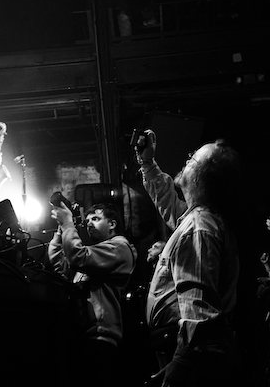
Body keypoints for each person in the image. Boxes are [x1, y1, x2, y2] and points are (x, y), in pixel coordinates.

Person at [146, 139, 242, 386]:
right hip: (191, 350)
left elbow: (197, 304)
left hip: (193, 358)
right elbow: (168, 204)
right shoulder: (200, 219)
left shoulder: (199, 227)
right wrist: (147, 164)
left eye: (192, 158)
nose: (186, 161)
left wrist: (181, 361)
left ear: (203, 176)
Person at [47, 201, 138, 382]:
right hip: (84, 333)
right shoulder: (95, 254)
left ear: (112, 224)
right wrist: (61, 230)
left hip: (100, 338)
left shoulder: (119, 247)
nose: (89, 223)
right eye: (87, 220)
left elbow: (77, 257)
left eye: (96, 219)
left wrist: (68, 224)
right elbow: (60, 263)